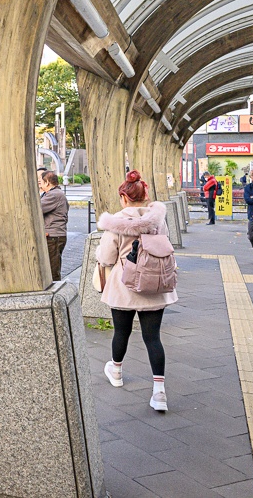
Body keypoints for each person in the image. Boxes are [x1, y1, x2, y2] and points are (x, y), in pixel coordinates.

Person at [95, 170, 176, 412]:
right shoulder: (158, 220)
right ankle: (159, 392)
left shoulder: (117, 224)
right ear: (144, 196)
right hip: (155, 284)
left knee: (122, 331)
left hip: (124, 286)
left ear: (124, 197)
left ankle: (117, 371)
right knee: (153, 338)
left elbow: (107, 257)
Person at [40, 170, 69, 280]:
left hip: (53, 237)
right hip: (55, 235)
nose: (40, 185)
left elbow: (36, 207)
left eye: (40, 182)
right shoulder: (57, 193)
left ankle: (55, 293)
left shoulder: (53, 195)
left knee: (52, 269)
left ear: (47, 182)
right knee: (52, 266)